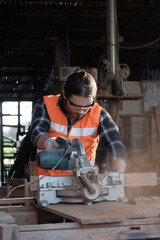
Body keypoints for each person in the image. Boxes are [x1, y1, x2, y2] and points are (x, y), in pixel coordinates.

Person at [30, 69, 126, 176]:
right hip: (47, 181)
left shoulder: (99, 114)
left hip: (84, 183)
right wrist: (48, 142)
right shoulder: (46, 105)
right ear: (64, 94)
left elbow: (115, 143)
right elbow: (37, 132)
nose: (80, 111)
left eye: (86, 106)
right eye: (75, 106)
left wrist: (118, 173)